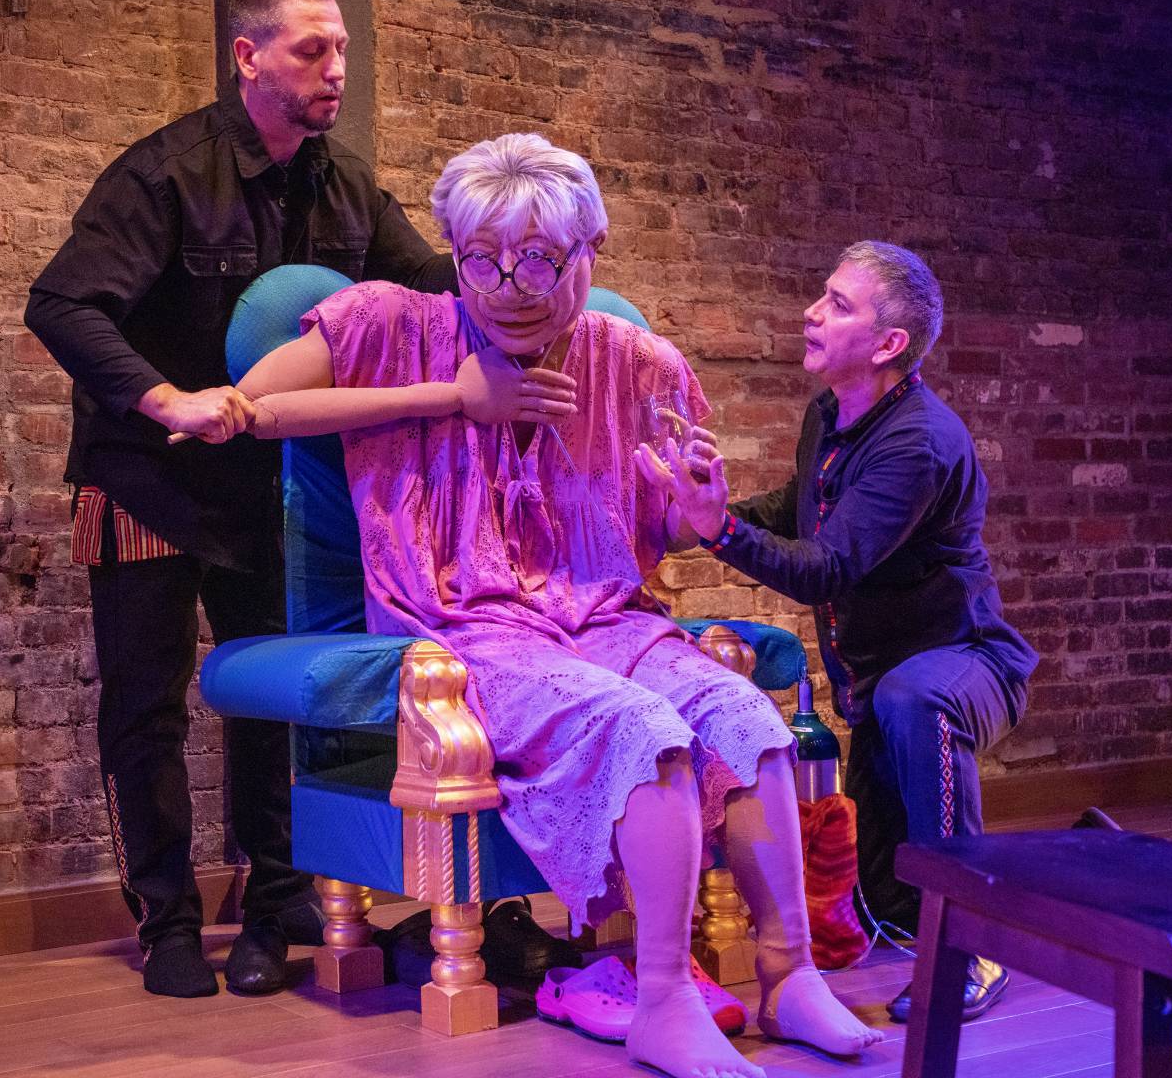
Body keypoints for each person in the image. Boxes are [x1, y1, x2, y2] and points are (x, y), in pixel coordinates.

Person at [228, 133, 883, 1078]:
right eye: (482, 260)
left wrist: (699, 516)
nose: (510, 286)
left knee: (745, 718)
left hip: (601, 612)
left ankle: (789, 976)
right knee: (637, 725)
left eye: (540, 259)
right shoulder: (392, 321)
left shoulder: (635, 359)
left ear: (590, 251)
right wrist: (454, 395)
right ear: (454, 252)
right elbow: (258, 403)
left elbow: (670, 521)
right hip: (461, 618)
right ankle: (659, 996)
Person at [23, 0, 574, 999]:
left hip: (263, 489)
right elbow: (61, 304)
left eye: (342, 51)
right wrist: (164, 399)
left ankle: (274, 903)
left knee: (272, 698)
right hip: (146, 473)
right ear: (249, 57)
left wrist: (526, 282)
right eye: (311, 49)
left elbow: (430, 292)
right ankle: (168, 922)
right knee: (144, 707)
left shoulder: (345, 183)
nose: (334, 71)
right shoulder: (166, 174)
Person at [644, 242, 1038, 1024]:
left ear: (888, 345)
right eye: (821, 295)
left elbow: (829, 566)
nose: (811, 312)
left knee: (913, 696)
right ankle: (925, 926)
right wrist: (695, 522)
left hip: (963, 666)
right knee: (882, 902)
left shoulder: (917, 443)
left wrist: (720, 532)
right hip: (881, 687)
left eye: (837, 303)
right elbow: (803, 502)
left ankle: (977, 946)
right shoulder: (830, 412)